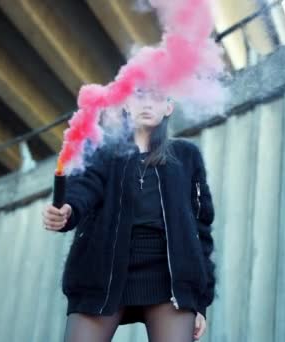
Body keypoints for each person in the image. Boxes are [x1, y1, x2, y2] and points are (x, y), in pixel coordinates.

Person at [43, 87, 216, 342]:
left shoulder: (186, 155)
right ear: (125, 105)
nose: (147, 104)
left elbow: (201, 229)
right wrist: (68, 209)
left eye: (156, 97)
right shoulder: (103, 150)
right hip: (101, 275)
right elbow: (84, 188)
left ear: (169, 108)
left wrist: (199, 303)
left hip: (170, 283)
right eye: (139, 96)